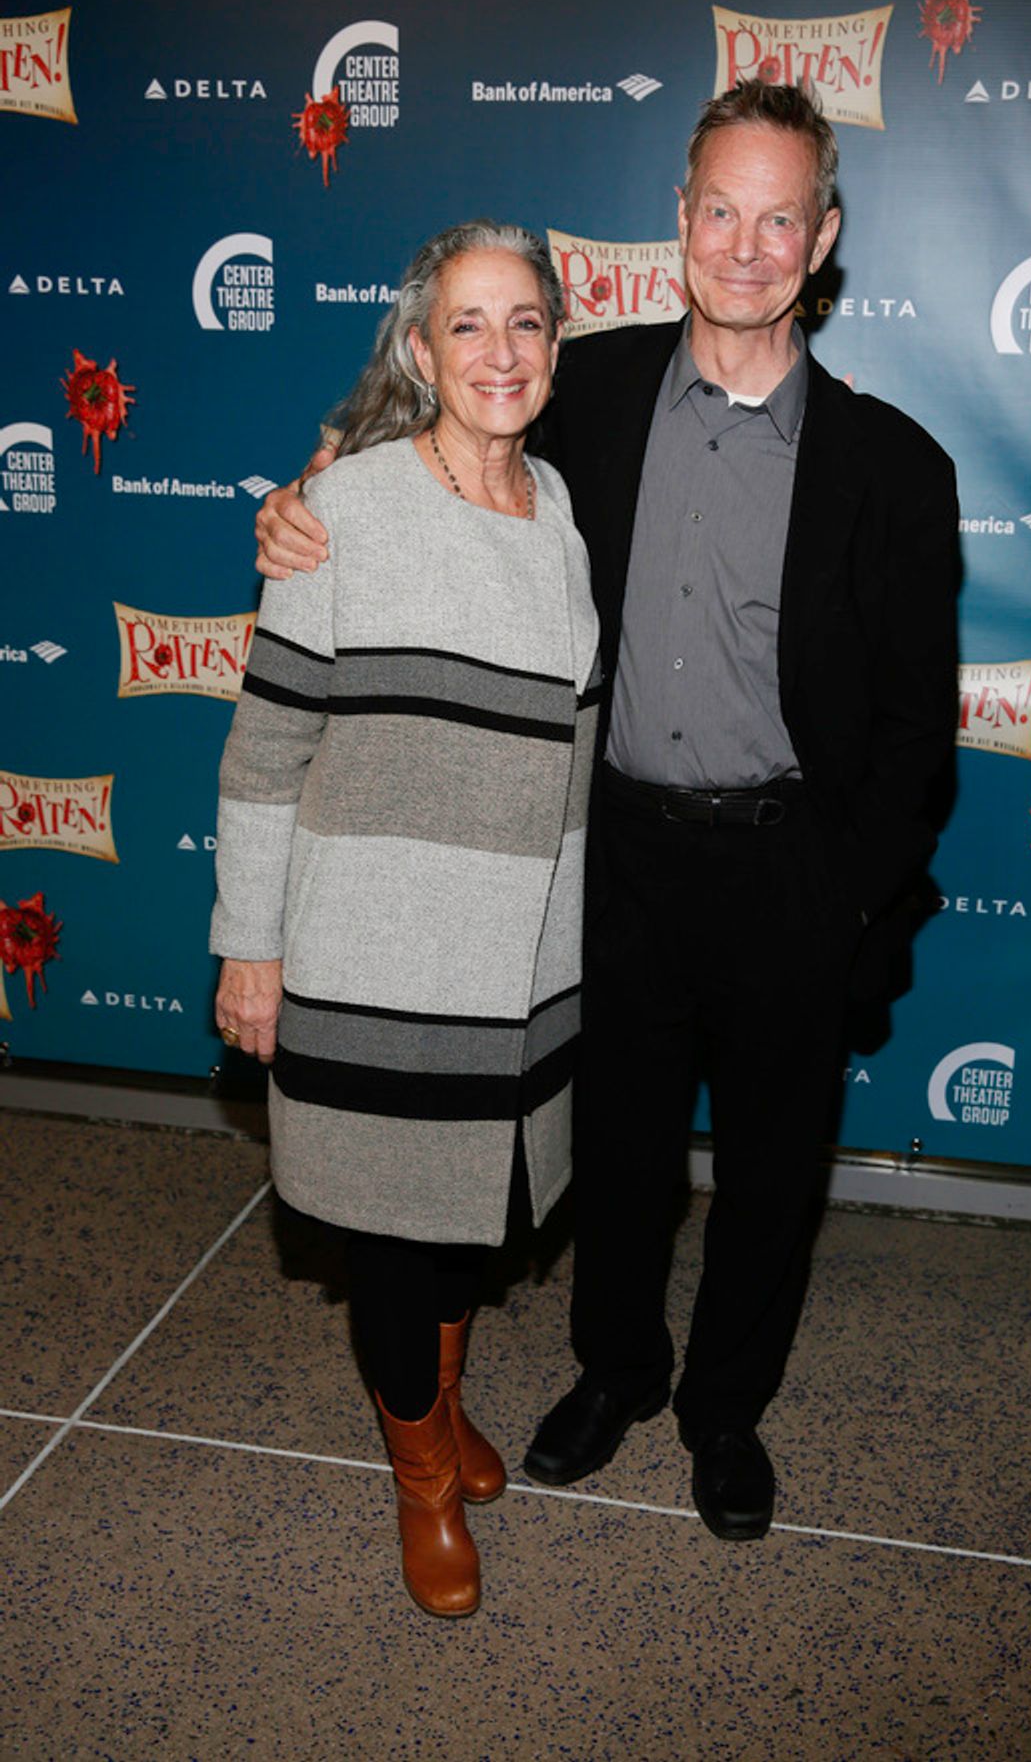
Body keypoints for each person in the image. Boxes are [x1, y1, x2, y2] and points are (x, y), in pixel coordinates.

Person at [254, 82, 960, 1544]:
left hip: (791, 874)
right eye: (722, 212)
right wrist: (308, 493)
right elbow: (449, 425)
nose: (748, 247)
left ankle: (724, 1410)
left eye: (781, 219)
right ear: (680, 219)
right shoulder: (593, 391)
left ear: (822, 238)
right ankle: (617, 1371)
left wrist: (844, 900)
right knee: (620, 1155)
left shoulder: (899, 469)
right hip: (614, 864)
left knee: (773, 1173)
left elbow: (914, 737)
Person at [212, 220, 599, 1617]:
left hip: (518, 957)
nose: (499, 351)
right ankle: (420, 1475)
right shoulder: (349, 509)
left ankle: (440, 1405)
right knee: (392, 1233)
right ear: (421, 348)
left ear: (556, 345)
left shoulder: (559, 511)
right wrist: (249, 947)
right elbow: (264, 752)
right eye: (469, 324)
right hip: (372, 951)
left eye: (525, 324)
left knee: (464, 1222)